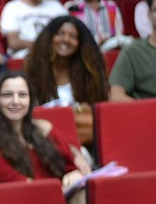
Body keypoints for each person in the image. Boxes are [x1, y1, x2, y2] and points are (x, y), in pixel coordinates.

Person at [0, 72, 90, 204]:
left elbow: (71, 163)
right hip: (19, 202)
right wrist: (52, 192)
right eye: (7, 95)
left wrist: (74, 173)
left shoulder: (43, 128)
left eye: (22, 95)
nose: (16, 101)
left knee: (81, 194)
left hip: (56, 196)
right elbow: (4, 177)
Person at [23, 16, 109, 146]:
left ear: (80, 43)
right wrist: (73, 111)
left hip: (79, 137)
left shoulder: (89, 75)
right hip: (43, 136)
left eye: (73, 36)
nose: (66, 40)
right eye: (60, 33)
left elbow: (96, 113)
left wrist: (78, 111)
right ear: (49, 38)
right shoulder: (34, 69)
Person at [0, 0, 67, 56]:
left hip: (55, 56)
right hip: (24, 58)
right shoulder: (12, 7)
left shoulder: (56, 6)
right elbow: (13, 43)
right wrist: (43, 45)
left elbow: (67, 34)